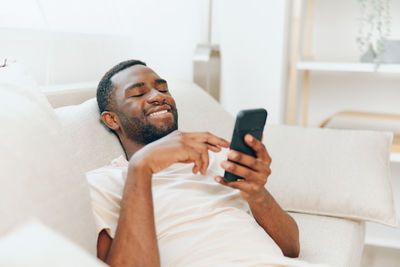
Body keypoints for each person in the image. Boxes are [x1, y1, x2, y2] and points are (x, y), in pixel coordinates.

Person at [86, 59, 300, 267]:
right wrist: (142, 166)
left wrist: (257, 193)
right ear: (112, 120)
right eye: (139, 93)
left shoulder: (219, 156)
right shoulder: (104, 182)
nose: (158, 97)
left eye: (163, 90)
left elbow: (291, 248)